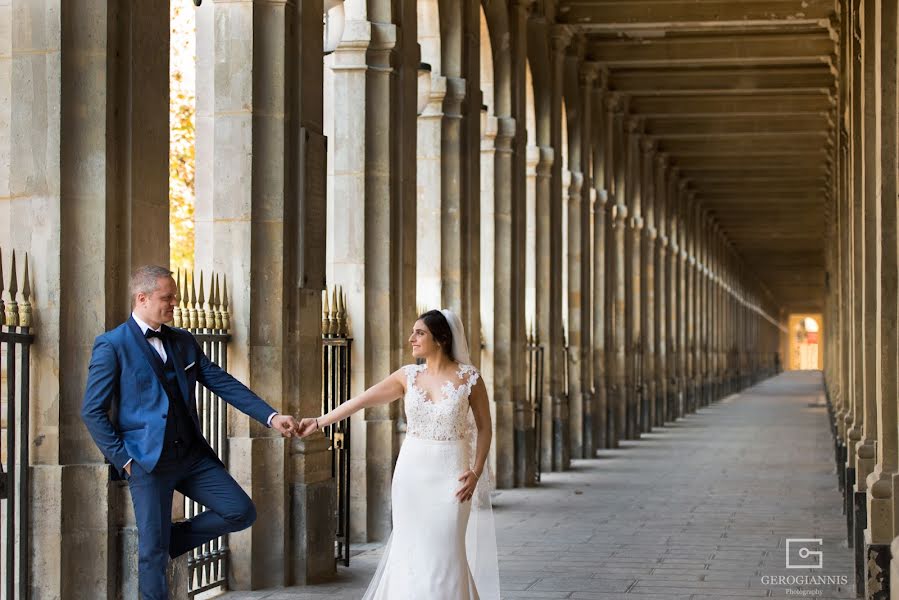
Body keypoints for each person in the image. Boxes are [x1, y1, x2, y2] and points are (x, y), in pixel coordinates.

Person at [81, 265, 301, 600]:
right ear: (142, 298)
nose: (174, 304)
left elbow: (222, 382)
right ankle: (159, 546)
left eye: (174, 298)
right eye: (166, 298)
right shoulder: (112, 345)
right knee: (151, 555)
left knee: (241, 511)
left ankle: (171, 539)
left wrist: (270, 416)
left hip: (191, 457)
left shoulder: (183, 340)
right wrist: (124, 460)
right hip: (146, 463)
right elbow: (92, 411)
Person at [298, 308, 500, 600]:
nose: (411, 339)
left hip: (452, 475)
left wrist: (477, 470)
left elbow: (485, 428)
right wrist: (318, 422)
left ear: (441, 339)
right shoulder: (408, 376)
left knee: (447, 550)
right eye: (413, 332)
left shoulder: (469, 378)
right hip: (411, 476)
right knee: (410, 551)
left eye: (420, 333)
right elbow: (360, 401)